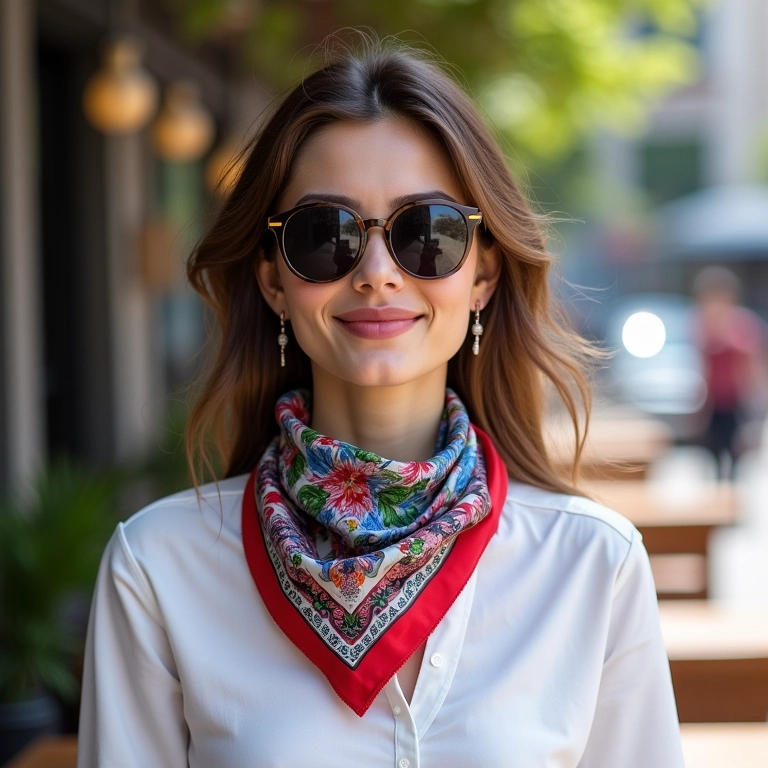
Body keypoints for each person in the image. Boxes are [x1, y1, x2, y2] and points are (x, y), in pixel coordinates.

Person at [77, 40, 684, 767]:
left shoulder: (592, 565)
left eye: (426, 232)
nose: (376, 273)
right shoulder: (158, 567)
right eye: (323, 234)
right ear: (273, 281)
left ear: (483, 276)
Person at [692, 266, 768, 478]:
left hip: (736, 402)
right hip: (714, 402)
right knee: (712, 450)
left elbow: (752, 367)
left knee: (736, 453)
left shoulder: (742, 325)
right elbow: (704, 370)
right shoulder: (703, 326)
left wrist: (756, 404)